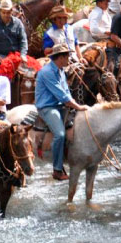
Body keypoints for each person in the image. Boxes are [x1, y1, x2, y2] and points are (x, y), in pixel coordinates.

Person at [35, 43, 91, 181]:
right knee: (59, 134)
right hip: (48, 107)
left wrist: (74, 105)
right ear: (60, 58)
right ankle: (57, 170)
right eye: (67, 57)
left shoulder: (60, 71)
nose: (69, 59)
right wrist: (78, 107)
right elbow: (62, 96)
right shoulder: (47, 72)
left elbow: (67, 92)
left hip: (61, 106)